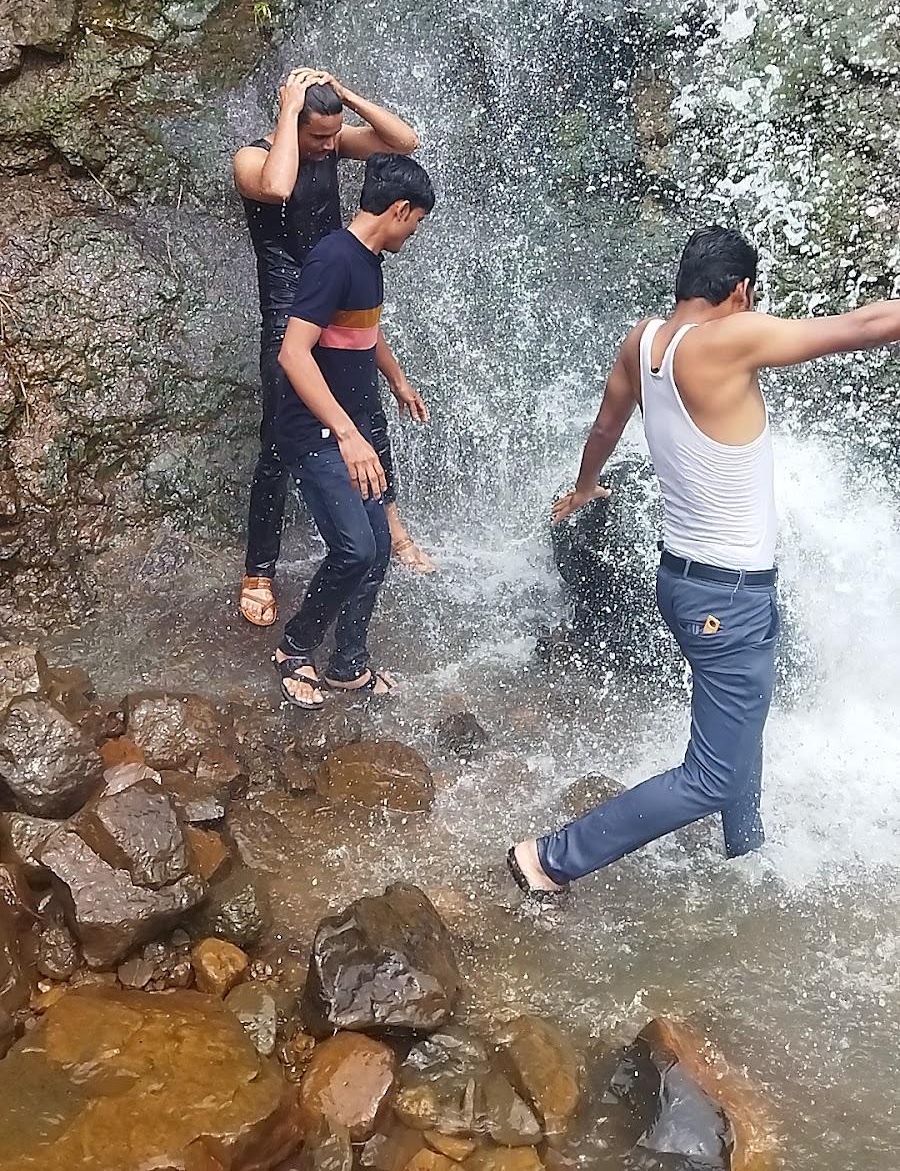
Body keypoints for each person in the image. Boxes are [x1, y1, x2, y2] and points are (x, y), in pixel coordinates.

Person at [508, 224, 900, 902]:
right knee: (711, 774)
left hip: (688, 581)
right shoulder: (728, 337)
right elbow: (863, 324)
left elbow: (606, 425)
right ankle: (549, 858)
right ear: (740, 290)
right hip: (727, 595)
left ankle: (743, 849)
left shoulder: (644, 340)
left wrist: (584, 487)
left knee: (744, 723)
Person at [233, 67, 435, 629]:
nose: (329, 145)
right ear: (290, 122)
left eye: (333, 134)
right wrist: (288, 112)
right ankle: (259, 569)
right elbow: (275, 187)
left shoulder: (328, 144)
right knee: (279, 440)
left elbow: (403, 143)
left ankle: (391, 531)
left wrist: (345, 95)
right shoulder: (253, 158)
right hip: (285, 306)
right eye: (318, 136)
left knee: (366, 409)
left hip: (334, 289)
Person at [271, 153, 436, 710]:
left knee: (379, 546)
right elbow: (293, 354)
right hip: (317, 429)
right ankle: (294, 648)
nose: (414, 235)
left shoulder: (369, 261)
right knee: (354, 549)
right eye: (416, 223)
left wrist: (397, 380)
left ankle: (349, 663)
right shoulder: (332, 260)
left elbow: (364, 331)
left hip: (353, 423)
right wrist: (346, 433)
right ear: (400, 209)